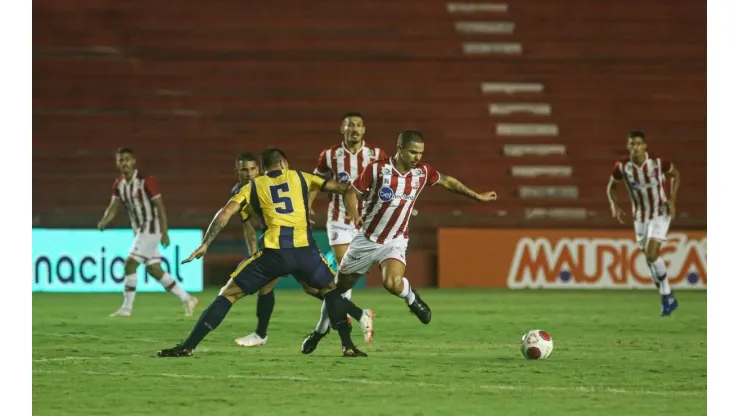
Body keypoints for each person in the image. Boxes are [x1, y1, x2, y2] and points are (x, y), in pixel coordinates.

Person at [157, 148, 373, 358]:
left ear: (261, 168)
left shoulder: (253, 186)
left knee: (229, 294)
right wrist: (356, 211)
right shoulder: (301, 176)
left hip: (275, 254)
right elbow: (345, 188)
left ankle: (188, 346)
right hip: (306, 252)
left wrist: (205, 243)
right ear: (284, 164)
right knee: (331, 291)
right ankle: (348, 346)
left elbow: (225, 213)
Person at [301, 130, 497, 354]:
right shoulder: (376, 169)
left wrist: (477, 196)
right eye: (413, 152)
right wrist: (354, 213)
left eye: (420, 153)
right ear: (400, 148)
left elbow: (447, 181)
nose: (417, 157)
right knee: (336, 291)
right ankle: (320, 331)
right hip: (366, 240)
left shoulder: (422, 172)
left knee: (392, 283)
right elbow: (351, 192)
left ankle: (413, 300)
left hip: (395, 239)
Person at [229, 153, 328, 347]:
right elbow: (248, 224)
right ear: (236, 172)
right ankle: (348, 311)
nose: (248, 174)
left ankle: (260, 334)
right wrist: (253, 253)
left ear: (259, 169)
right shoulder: (240, 191)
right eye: (244, 170)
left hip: (292, 242)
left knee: (294, 287)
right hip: (274, 244)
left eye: (252, 169)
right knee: (307, 287)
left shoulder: (271, 183)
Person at [97, 147, 199, 317]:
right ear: (117, 163)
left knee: (129, 264)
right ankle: (187, 299)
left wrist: (165, 232)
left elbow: (160, 206)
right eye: (121, 160)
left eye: (127, 159)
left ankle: (126, 308)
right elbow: (113, 207)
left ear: (133, 161)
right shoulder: (119, 184)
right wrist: (104, 221)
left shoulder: (146, 181)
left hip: (151, 229)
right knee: (154, 270)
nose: (124, 163)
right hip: (139, 231)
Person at [607, 130, 681, 316]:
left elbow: (675, 174)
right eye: (632, 144)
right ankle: (667, 293)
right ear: (628, 146)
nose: (635, 147)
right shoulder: (623, 166)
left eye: (638, 144)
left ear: (644, 146)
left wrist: (671, 199)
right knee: (649, 259)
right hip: (640, 217)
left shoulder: (657, 161)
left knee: (651, 252)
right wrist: (614, 204)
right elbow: (611, 187)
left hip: (660, 211)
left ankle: (666, 295)